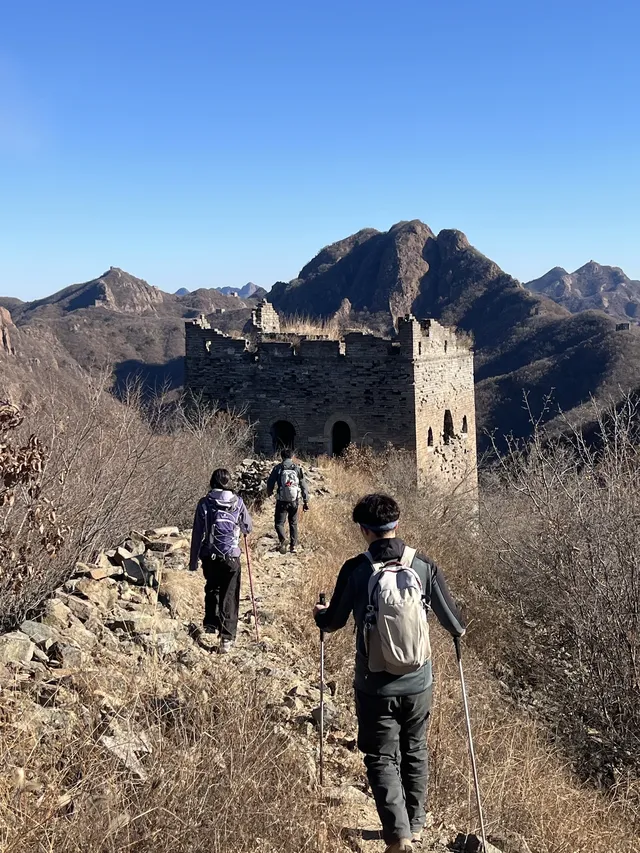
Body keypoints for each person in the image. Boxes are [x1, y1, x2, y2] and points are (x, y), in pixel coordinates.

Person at [313, 493, 465, 853]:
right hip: (419, 681)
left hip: (374, 684)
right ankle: (415, 824)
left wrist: (319, 613)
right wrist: (458, 634)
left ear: (365, 530)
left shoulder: (356, 569)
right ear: (397, 523)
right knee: (415, 749)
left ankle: (399, 838)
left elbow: (333, 621)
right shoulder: (423, 565)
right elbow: (454, 621)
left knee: (381, 756)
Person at [189, 468, 253, 653]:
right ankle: (226, 638)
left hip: (210, 556)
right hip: (231, 556)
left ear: (212, 481)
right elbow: (248, 527)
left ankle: (211, 622)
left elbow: (197, 534)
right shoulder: (238, 502)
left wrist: (193, 562)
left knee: (212, 586)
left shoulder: (204, 503)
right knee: (230, 596)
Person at [266, 447, 309, 553]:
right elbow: (304, 486)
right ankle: (293, 546)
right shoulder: (297, 469)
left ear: (282, 457)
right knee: (293, 522)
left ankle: (283, 539)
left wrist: (270, 492)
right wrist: (305, 500)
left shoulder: (278, 468)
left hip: (282, 500)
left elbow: (270, 483)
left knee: (279, 523)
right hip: (294, 500)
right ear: (292, 456)